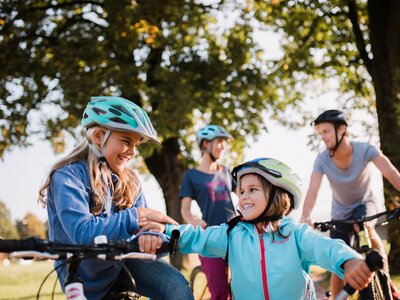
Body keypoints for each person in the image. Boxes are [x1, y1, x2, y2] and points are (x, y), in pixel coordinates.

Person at [143, 157, 372, 299]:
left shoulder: (294, 233)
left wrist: (349, 260)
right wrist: (164, 231)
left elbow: (326, 247)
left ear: (278, 195)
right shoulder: (231, 234)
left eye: (253, 189)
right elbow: (198, 237)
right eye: (241, 191)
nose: (243, 197)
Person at [38, 96, 194, 300]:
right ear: (99, 137)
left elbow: (145, 228)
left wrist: (151, 236)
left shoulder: (131, 181)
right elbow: (82, 232)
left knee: (176, 287)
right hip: (82, 273)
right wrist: (137, 215)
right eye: (126, 141)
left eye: (136, 145)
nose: (132, 152)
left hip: (123, 263)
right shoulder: (68, 177)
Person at [300, 109, 400, 298]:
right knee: (338, 254)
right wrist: (306, 216)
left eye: (326, 131)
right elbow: (313, 190)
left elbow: (390, 172)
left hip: (365, 205)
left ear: (342, 129)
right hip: (340, 213)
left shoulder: (365, 150)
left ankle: (383, 271)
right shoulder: (322, 159)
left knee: (366, 227)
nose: (323, 137)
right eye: (320, 133)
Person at [180, 125, 236, 300]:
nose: (223, 146)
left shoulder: (227, 171)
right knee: (220, 293)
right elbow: (185, 209)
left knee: (243, 289)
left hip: (235, 235)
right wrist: (193, 220)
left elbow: (244, 195)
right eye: (219, 142)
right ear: (205, 144)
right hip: (210, 240)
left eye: (224, 143)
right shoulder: (191, 176)